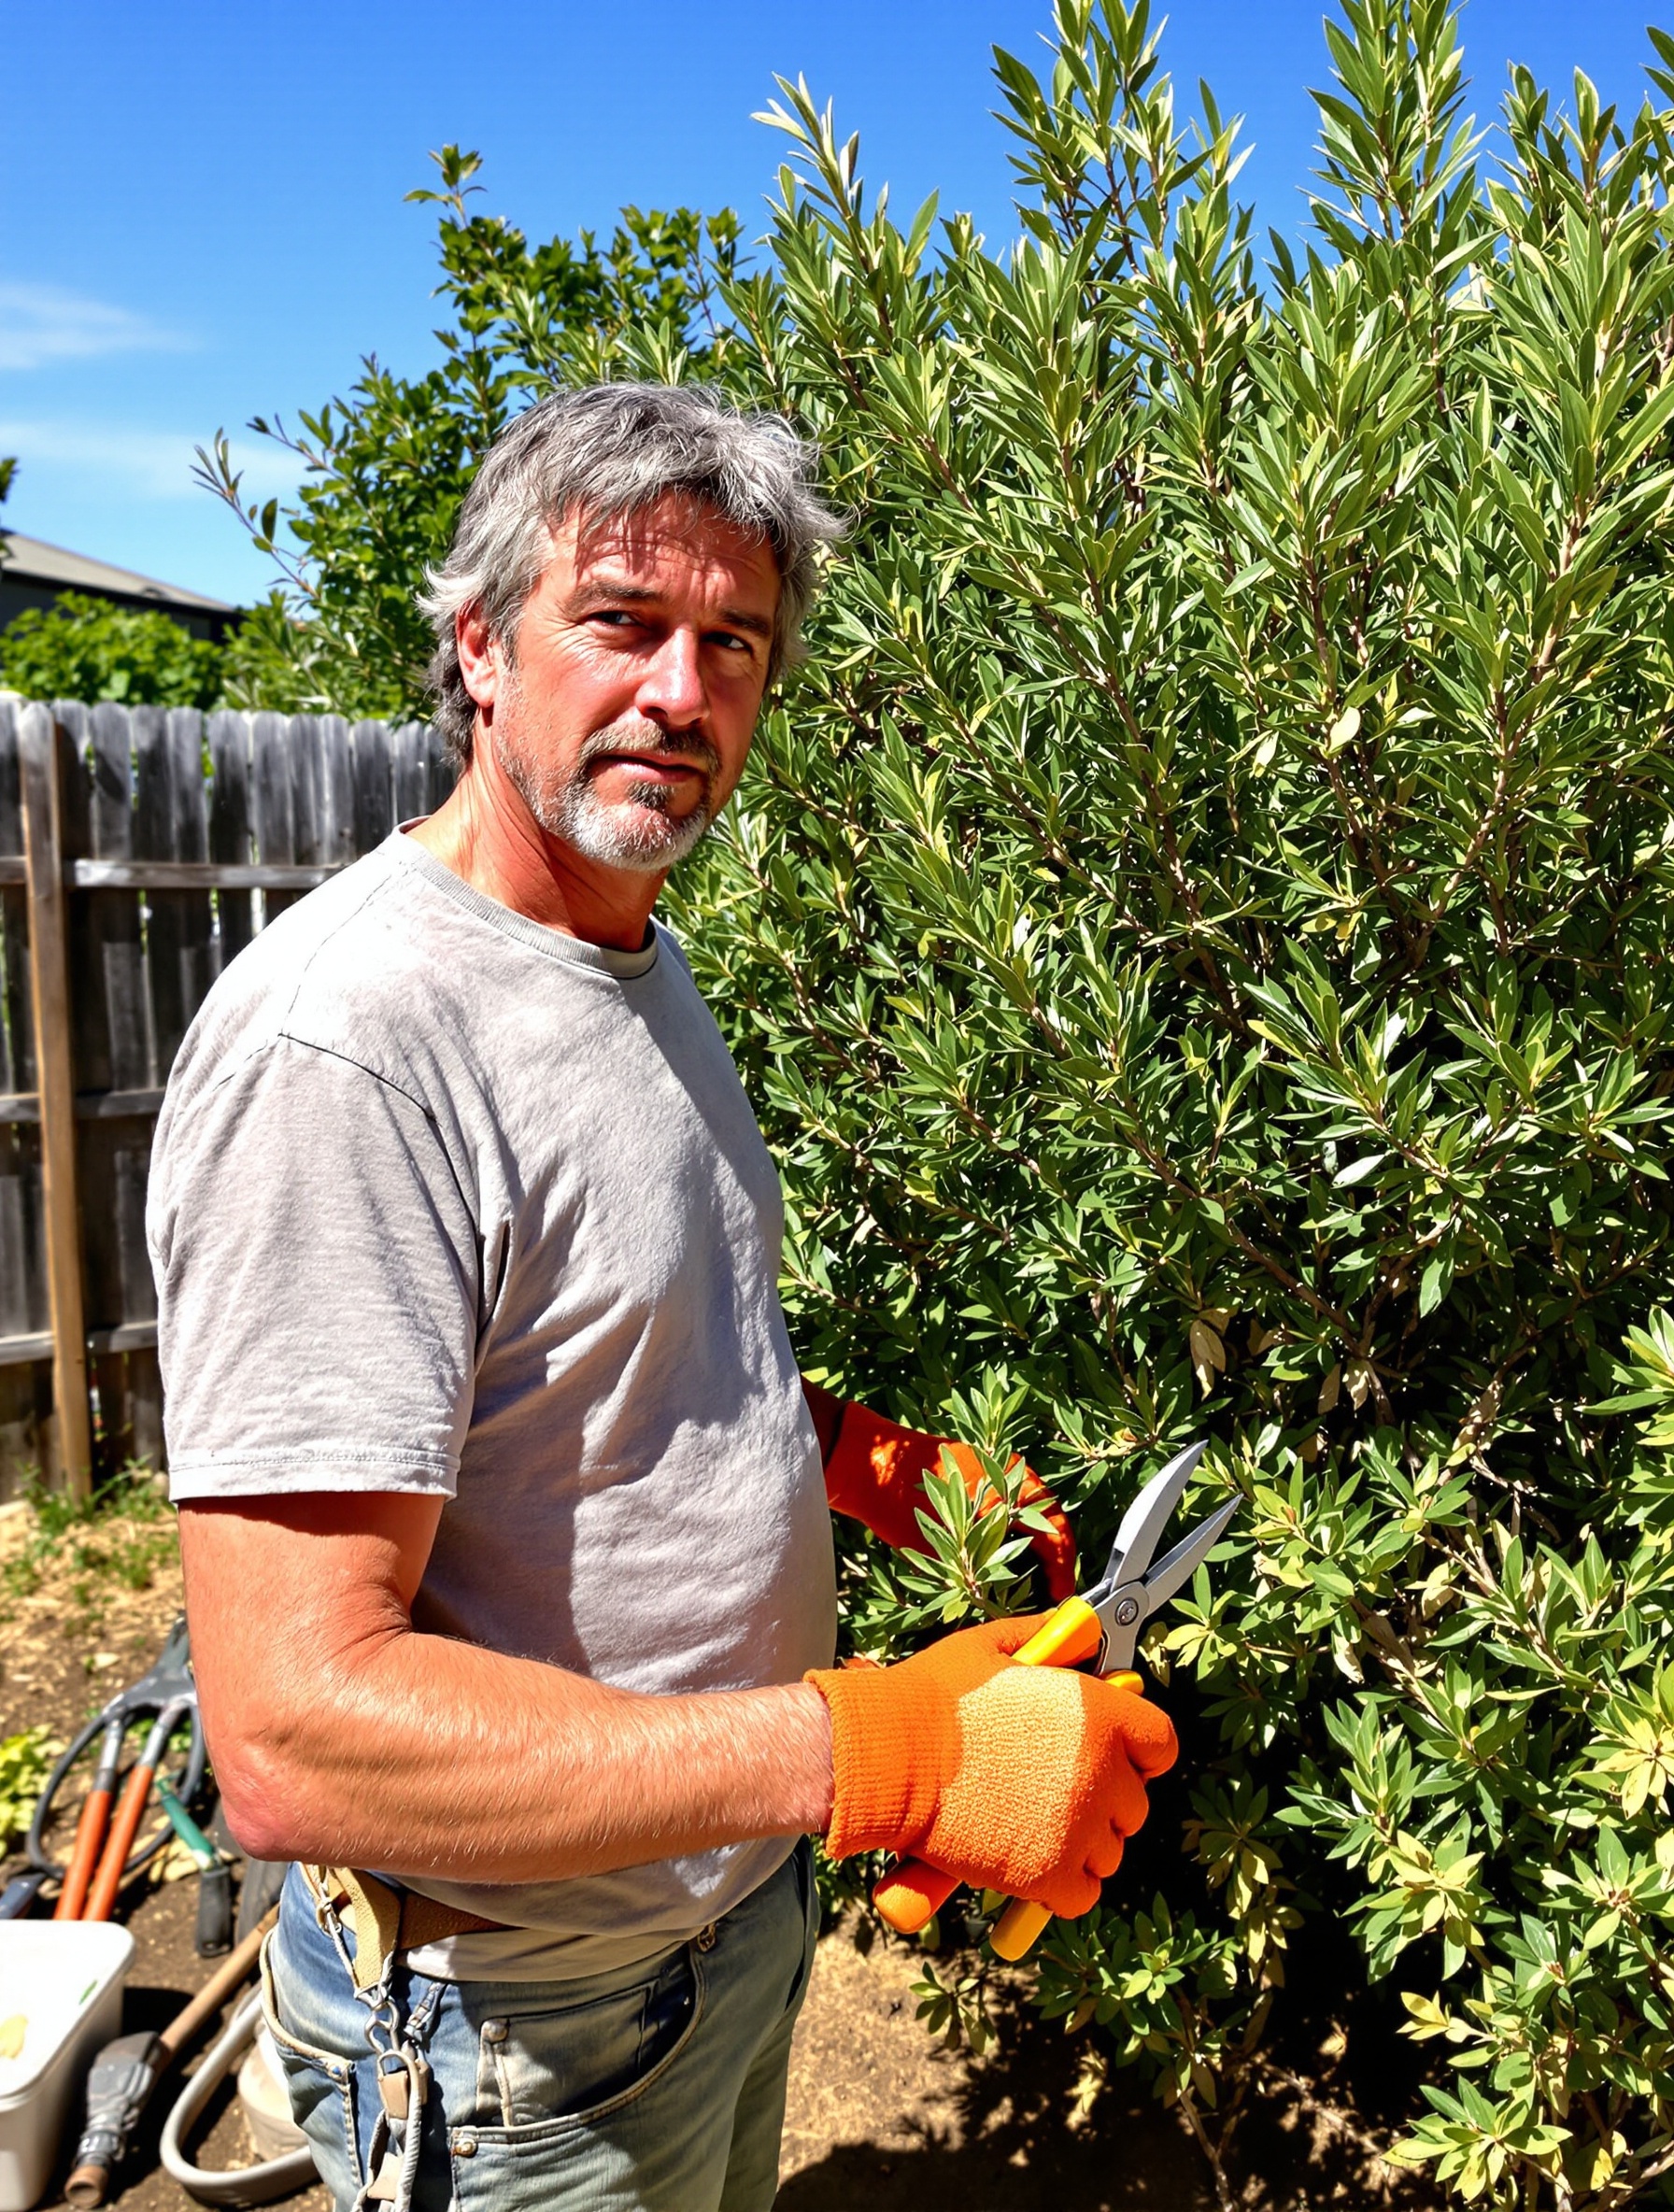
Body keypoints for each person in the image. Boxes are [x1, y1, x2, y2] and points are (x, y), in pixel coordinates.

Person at [149, 383, 1179, 2212]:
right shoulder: (354, 1048)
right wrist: (879, 1749)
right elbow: (296, 1733)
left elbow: (595, 1362)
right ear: (479, 643)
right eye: (619, 622)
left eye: (733, 641)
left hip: (714, 1916)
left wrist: (855, 1460)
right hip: (520, 2033)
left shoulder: (624, 957)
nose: (682, 693)